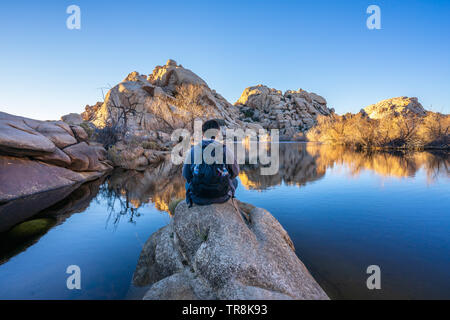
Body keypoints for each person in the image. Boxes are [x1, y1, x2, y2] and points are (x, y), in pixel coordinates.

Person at [182, 119, 239, 207]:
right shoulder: (224, 149)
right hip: (222, 195)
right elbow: (235, 172)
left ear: (203, 133)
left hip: (198, 196)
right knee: (235, 181)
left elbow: (186, 174)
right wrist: (224, 178)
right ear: (217, 133)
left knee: (187, 184)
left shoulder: (193, 150)